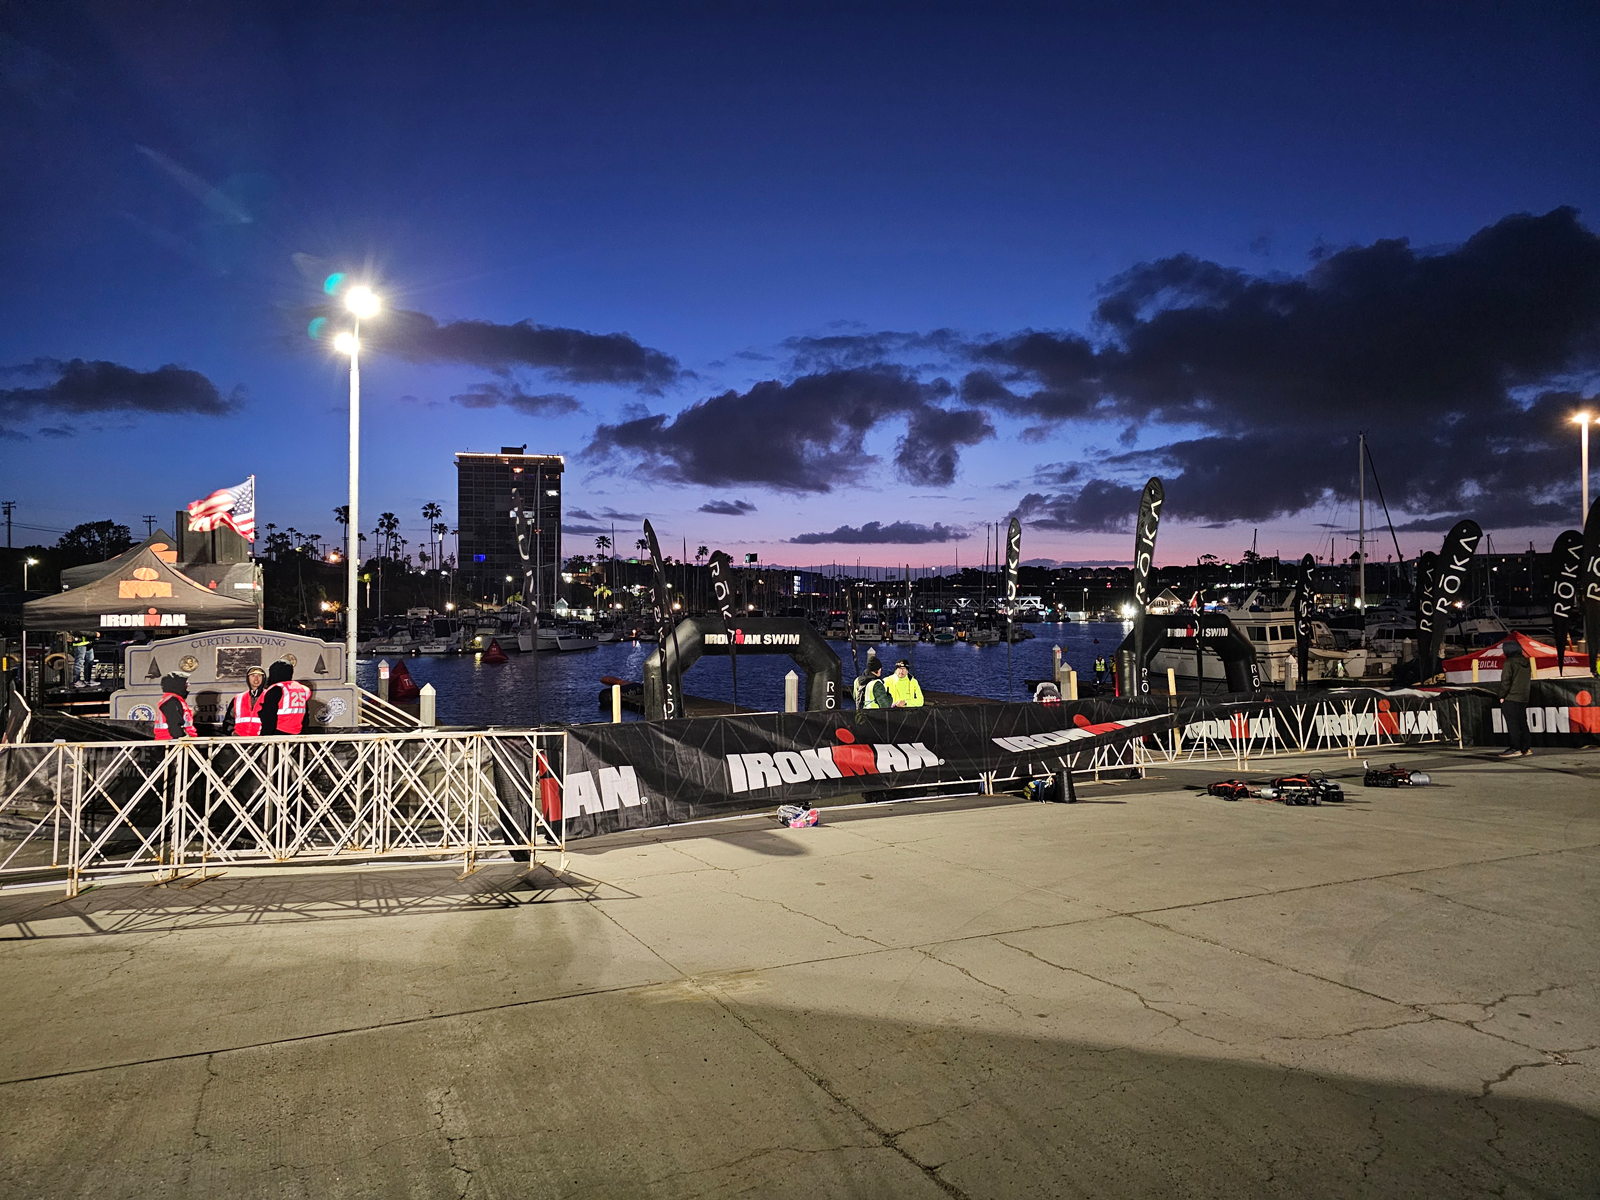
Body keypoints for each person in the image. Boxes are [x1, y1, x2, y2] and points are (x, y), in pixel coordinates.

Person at [1495, 638, 1532, 758]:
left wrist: (1502, 695)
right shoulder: (1526, 662)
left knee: (1512, 724)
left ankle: (1515, 748)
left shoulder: (1509, 662)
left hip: (1511, 697)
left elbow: (1506, 681)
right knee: (1522, 723)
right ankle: (1526, 748)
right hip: (1523, 697)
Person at [259, 660, 311, 735]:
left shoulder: (276, 690)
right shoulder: (301, 689)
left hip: (278, 734)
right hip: (297, 734)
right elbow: (305, 716)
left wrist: (265, 736)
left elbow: (269, 718)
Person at [222, 665, 269, 737]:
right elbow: (228, 721)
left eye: (259, 675)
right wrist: (232, 733)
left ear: (263, 678)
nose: (256, 678)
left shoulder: (269, 696)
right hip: (240, 740)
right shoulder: (238, 698)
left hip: (262, 740)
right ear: (248, 678)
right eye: (253, 675)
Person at [153, 673, 197, 740]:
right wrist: (183, 738)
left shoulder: (173, 699)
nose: (188, 685)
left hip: (174, 741)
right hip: (171, 741)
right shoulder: (171, 701)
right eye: (185, 683)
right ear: (177, 685)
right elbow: (174, 725)